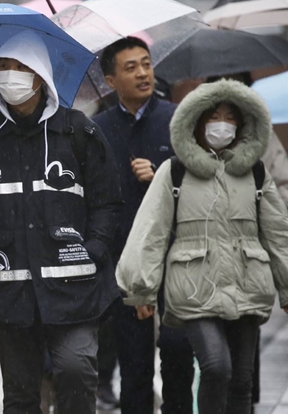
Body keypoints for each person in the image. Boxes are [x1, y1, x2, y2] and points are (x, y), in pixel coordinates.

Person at [0, 30, 122, 413]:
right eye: (3, 68)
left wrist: (94, 250)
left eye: (19, 67)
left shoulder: (78, 130)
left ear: (40, 75)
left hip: (75, 287)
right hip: (11, 290)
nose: (10, 76)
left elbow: (108, 201)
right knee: (19, 394)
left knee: (75, 370)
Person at [117, 79, 288, 414]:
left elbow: (278, 233)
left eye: (229, 116)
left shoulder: (254, 172)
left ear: (242, 123)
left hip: (247, 283)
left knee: (241, 379)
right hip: (194, 286)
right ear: (196, 122)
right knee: (215, 366)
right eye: (213, 116)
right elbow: (151, 230)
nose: (221, 123)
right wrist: (142, 289)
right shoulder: (175, 171)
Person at [93, 36, 195, 414]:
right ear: (110, 80)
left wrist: (161, 179)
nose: (142, 73)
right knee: (134, 367)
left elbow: (199, 189)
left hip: (177, 261)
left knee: (178, 354)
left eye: (146, 64)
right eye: (130, 67)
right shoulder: (97, 129)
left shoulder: (177, 120)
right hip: (124, 262)